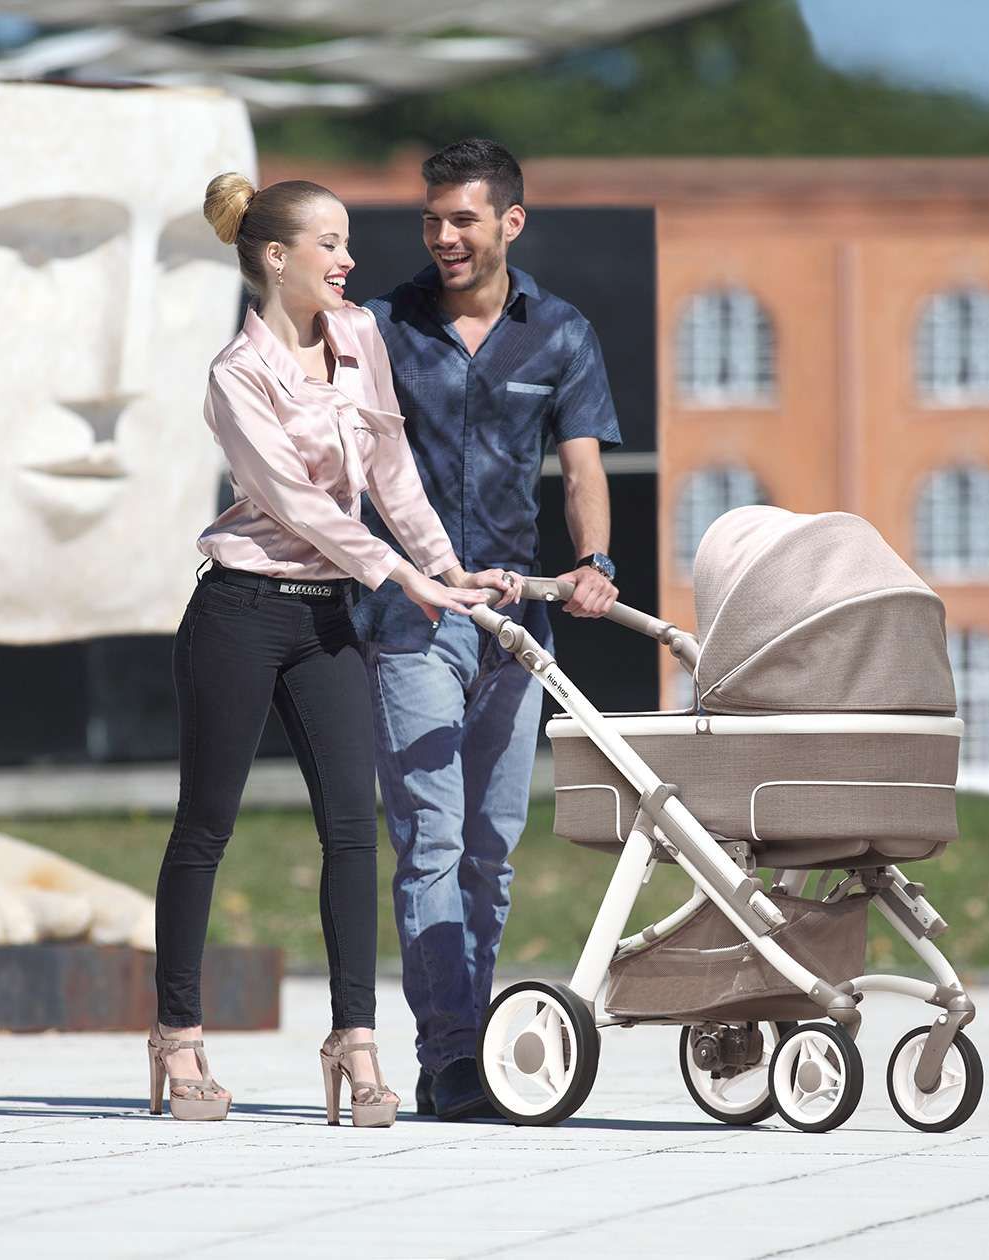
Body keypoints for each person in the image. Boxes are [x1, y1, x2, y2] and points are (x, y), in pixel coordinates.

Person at [147, 174, 519, 1127]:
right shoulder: (238, 373)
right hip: (239, 610)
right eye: (329, 244)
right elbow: (298, 506)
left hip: (328, 622)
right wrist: (400, 577)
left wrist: (446, 569)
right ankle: (178, 1038)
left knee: (355, 829)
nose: (348, 260)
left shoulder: (359, 336)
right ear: (276, 258)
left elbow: (392, 471)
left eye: (347, 241)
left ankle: (355, 1042)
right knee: (206, 828)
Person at [355, 140, 623, 1120]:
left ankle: (462, 1037)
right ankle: (453, 1055)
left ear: (511, 220)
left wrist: (594, 566)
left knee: (489, 849)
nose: (443, 237)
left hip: (518, 622)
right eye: (431, 220)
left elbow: (584, 469)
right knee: (427, 838)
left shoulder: (559, 333)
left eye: (462, 219)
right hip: (411, 617)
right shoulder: (380, 327)